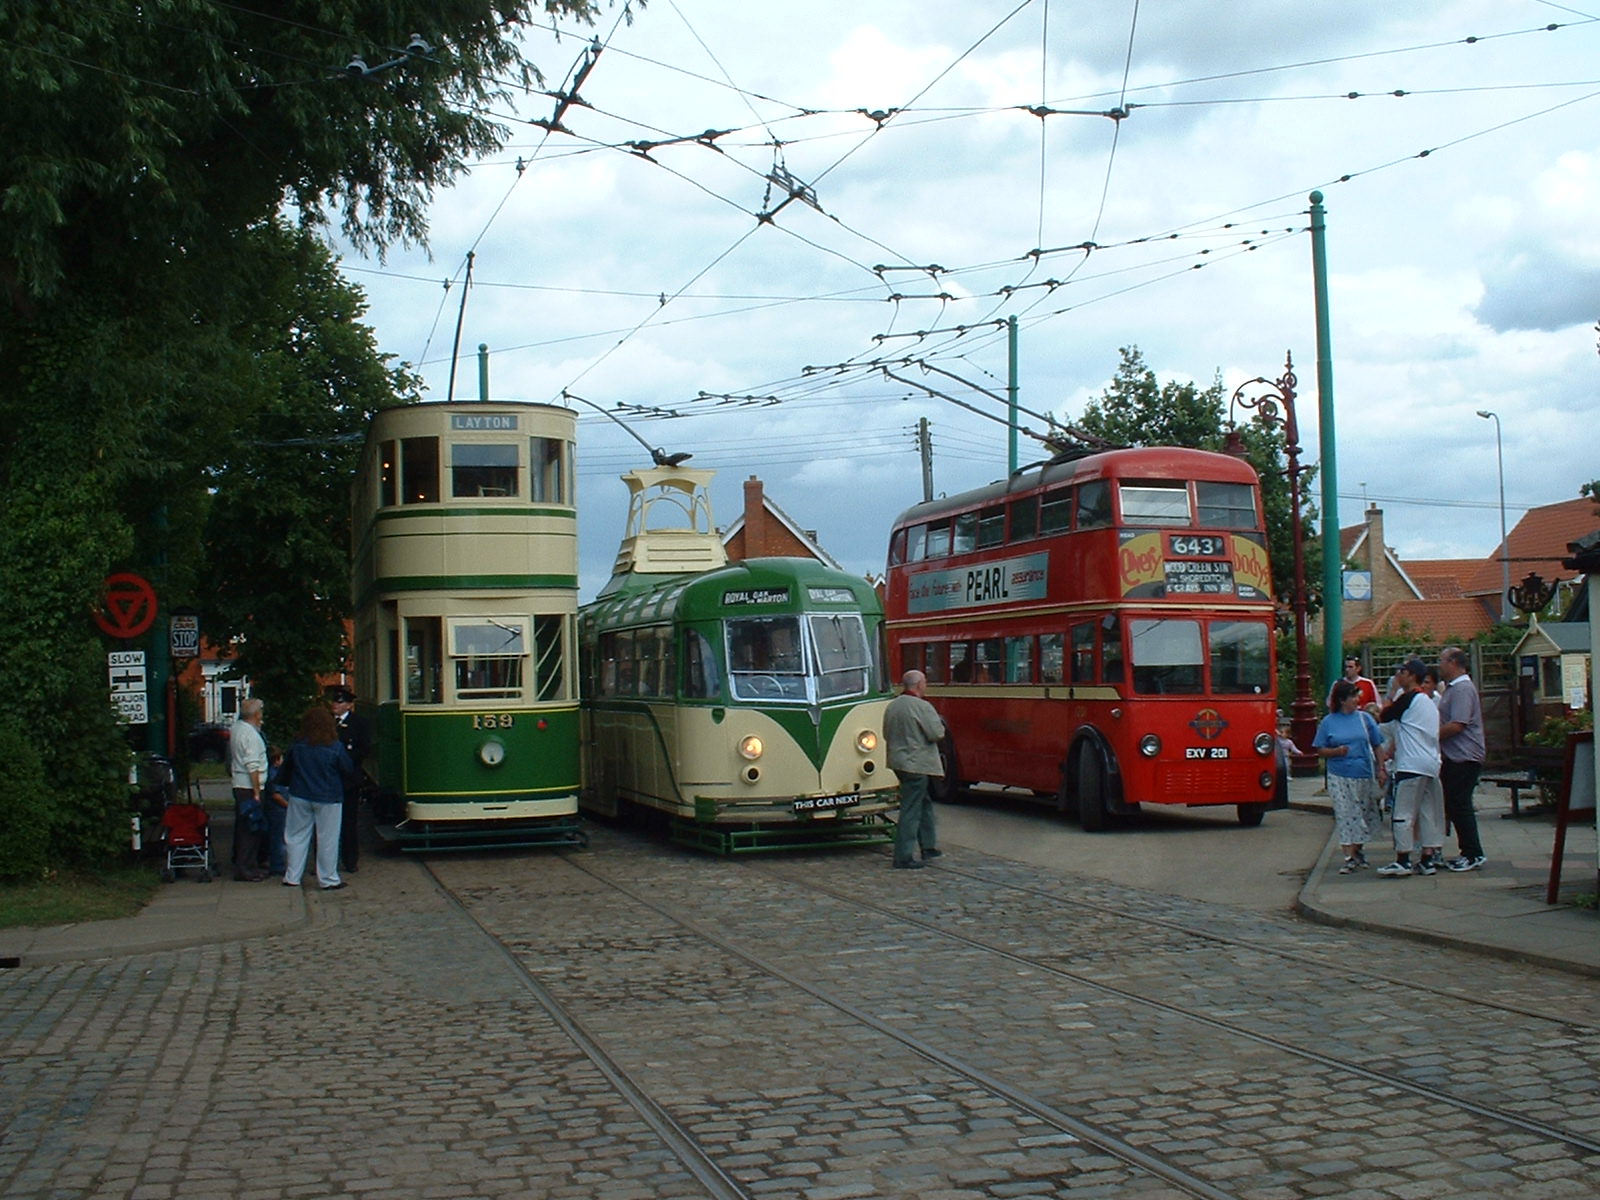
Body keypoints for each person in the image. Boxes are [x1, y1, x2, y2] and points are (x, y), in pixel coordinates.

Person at [1375, 658, 1446, 877]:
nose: (1398, 676)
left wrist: (1392, 692)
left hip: (1411, 763)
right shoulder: (1429, 703)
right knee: (1427, 811)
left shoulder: (1408, 699)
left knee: (1403, 812)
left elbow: (1383, 716)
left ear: (1413, 675)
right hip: (1431, 763)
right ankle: (1427, 858)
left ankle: (1403, 859)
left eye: (1402, 672)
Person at [1312, 680, 1386, 873]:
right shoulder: (1329, 722)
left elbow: (1377, 745)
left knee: (1361, 813)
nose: (1356, 700)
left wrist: (1381, 769)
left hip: (1362, 772)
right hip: (1339, 774)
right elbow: (1319, 749)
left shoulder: (1365, 719)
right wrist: (1336, 752)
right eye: (1353, 696)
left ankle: (1358, 850)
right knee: (1345, 814)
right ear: (1343, 700)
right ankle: (1348, 856)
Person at [280, 705, 356, 891]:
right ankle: (328, 878)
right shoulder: (335, 747)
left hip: (300, 794)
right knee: (327, 838)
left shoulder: (298, 745)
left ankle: (292, 876)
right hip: (329, 797)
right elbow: (348, 769)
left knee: (295, 836)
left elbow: (286, 770)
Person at [883, 669, 945, 869]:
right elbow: (936, 733)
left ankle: (928, 845)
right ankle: (903, 855)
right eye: (925, 682)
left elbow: (885, 733)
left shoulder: (892, 706)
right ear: (919, 685)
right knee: (911, 808)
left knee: (923, 801)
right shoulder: (922, 706)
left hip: (898, 762)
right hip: (916, 764)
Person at [1436, 646, 1488, 872]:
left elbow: (1458, 724)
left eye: (1442, 661)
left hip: (1464, 755)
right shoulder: (1452, 688)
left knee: (1460, 803)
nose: (1440, 665)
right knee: (1455, 803)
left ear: (1454, 663)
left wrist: (1430, 736)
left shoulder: (1462, 689)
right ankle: (1467, 850)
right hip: (1453, 755)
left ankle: (1473, 853)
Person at [327, 686, 372, 874]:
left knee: (348, 822)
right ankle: (327, 861)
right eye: (334, 702)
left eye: (340, 702)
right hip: (329, 779)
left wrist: (347, 761)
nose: (335, 705)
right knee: (327, 824)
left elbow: (363, 749)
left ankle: (350, 860)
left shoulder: (359, 723)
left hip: (348, 779)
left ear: (349, 705)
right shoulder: (327, 723)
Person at [227, 698, 269, 882]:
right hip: (249, 787)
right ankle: (246, 867)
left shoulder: (237, 728)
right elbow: (253, 766)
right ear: (257, 714)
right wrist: (257, 791)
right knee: (251, 829)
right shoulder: (251, 736)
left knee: (243, 826)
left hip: (239, 784)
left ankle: (242, 863)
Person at [262, 744, 290, 877]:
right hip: (278, 810)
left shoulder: (270, 772)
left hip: (274, 809)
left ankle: (276, 863)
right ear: (277, 760)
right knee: (278, 838)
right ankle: (278, 865)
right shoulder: (275, 774)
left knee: (276, 837)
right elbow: (276, 794)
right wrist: (288, 805)